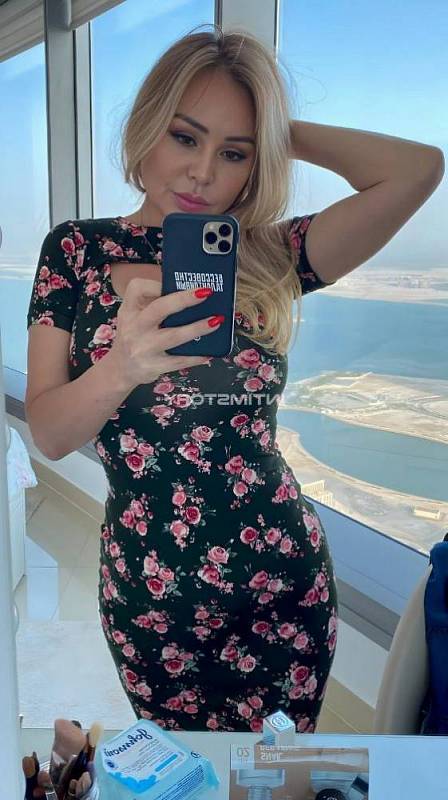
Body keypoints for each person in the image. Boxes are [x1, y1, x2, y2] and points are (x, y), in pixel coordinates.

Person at [26, 25, 339, 733]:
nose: (202, 173)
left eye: (234, 153)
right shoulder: (76, 250)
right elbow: (48, 432)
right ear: (146, 129)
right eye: (185, 136)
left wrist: (278, 129)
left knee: (276, 775)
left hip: (284, 586)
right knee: (183, 774)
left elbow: (415, 171)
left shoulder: (269, 251)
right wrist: (122, 367)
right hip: (151, 594)